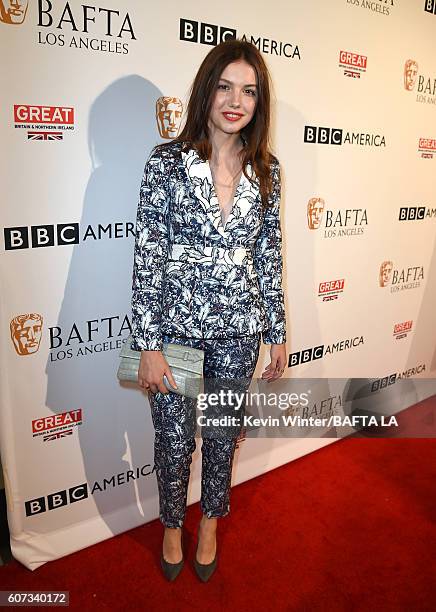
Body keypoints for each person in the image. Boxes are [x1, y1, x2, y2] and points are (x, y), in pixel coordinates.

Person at [130, 38, 287, 582]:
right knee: (173, 442)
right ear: (206, 90)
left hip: (239, 336)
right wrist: (147, 346)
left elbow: (269, 257)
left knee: (222, 437)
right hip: (176, 334)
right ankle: (173, 524)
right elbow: (147, 259)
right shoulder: (167, 163)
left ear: (258, 102)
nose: (235, 100)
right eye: (224, 86)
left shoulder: (268, 171)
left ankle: (212, 521)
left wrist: (277, 332)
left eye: (248, 90)